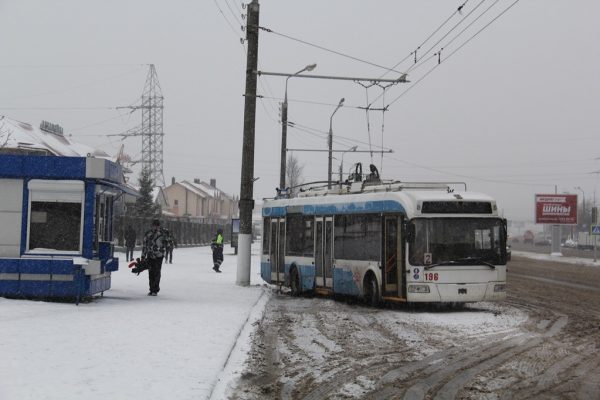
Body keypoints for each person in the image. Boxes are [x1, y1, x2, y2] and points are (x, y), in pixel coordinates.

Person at [141, 219, 167, 296]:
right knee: (151, 272)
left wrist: (161, 250)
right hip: (150, 255)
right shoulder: (148, 234)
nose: (155, 227)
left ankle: (155, 289)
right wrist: (143, 255)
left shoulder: (162, 234)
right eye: (154, 225)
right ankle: (151, 289)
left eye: (157, 226)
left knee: (157, 272)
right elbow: (144, 245)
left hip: (159, 256)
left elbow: (166, 244)